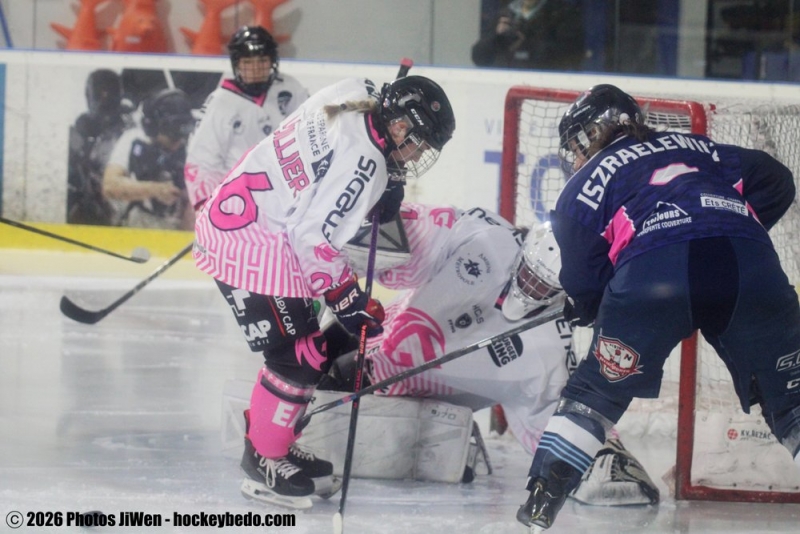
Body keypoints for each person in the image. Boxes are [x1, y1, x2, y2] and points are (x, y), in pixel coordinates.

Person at [517, 83, 800, 531]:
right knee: (793, 398)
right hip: (750, 266)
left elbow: (585, 280)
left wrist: (593, 305)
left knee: (596, 394)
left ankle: (540, 504)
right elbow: (777, 179)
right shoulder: (699, 146)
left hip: (654, 279)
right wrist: (734, 223)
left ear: (593, 132)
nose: (573, 157)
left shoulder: (580, 185)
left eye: (575, 144)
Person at [193, 74, 456, 509]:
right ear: (398, 127)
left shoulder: (355, 94)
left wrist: (384, 178)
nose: (420, 153)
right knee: (296, 356)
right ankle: (264, 457)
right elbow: (313, 241)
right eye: (420, 142)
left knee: (306, 348)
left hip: (246, 217)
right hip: (253, 240)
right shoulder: (365, 164)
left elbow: (324, 170)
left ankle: (270, 439)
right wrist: (347, 299)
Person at [317, 201, 660, 505]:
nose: (528, 287)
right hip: (363, 338)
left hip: (401, 409)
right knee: (318, 346)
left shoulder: (548, 356)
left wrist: (605, 460)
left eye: (543, 287)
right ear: (524, 247)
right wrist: (370, 217)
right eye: (527, 273)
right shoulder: (482, 237)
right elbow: (398, 237)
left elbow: (556, 429)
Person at [185, 25, 309, 211]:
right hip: (237, 200)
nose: (256, 69)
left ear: (272, 61)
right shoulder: (221, 102)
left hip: (284, 197)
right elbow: (201, 160)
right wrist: (206, 207)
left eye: (262, 61)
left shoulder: (290, 88)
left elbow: (308, 133)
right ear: (237, 64)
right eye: (248, 62)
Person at [103, 88, 196, 230]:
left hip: (176, 234)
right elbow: (110, 186)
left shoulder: (192, 148)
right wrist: (155, 190)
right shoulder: (133, 140)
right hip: (135, 229)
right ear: (151, 127)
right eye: (172, 135)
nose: (177, 142)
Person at [67, 69, 135, 225]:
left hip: (122, 206)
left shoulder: (130, 130)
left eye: (109, 95)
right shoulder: (80, 131)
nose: (104, 98)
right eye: (99, 95)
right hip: (94, 207)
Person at [471, 0, 585, 71]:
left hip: (545, 82)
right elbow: (478, 58)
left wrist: (530, 45)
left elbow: (573, 56)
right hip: (505, 79)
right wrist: (495, 37)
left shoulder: (562, 13)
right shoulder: (506, 14)